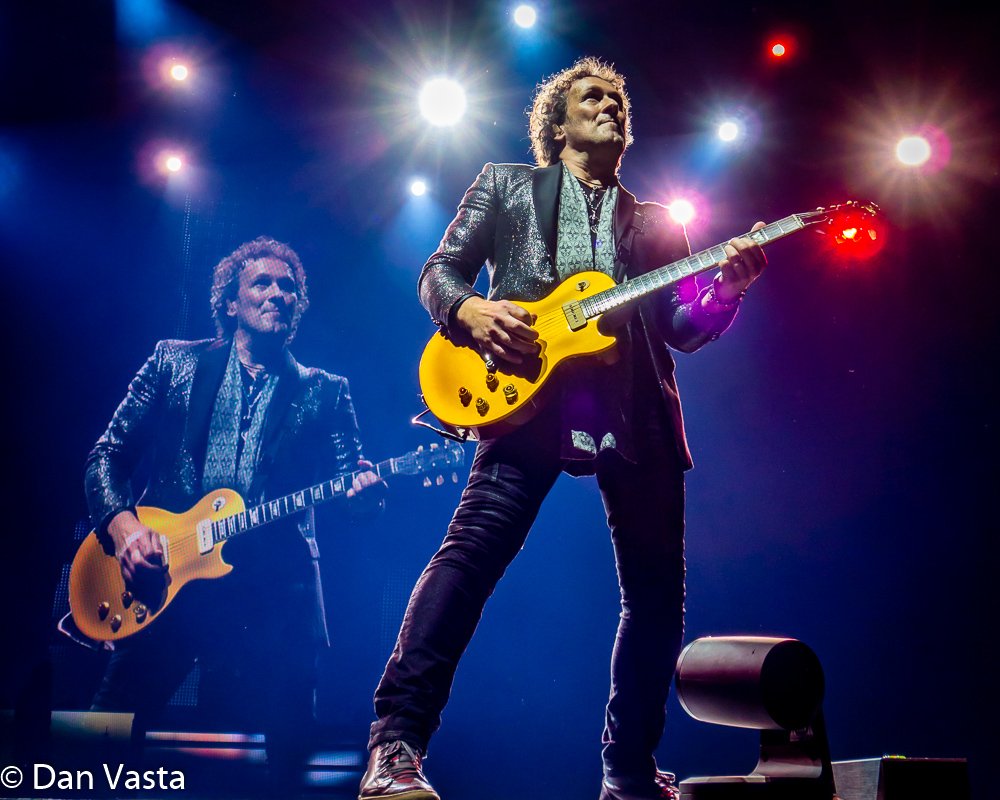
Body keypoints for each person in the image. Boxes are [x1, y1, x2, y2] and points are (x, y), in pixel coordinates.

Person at [359, 57, 768, 800]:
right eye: (593, 96)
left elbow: (679, 329)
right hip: (524, 397)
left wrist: (726, 292)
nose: (611, 106)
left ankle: (629, 771)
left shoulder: (657, 222)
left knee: (655, 595)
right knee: (468, 559)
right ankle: (396, 747)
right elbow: (440, 270)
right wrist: (470, 310)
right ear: (557, 123)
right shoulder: (506, 184)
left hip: (635, 409)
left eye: (619, 100)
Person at [85, 236, 384, 795]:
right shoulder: (173, 361)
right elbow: (107, 455)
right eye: (262, 283)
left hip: (273, 596)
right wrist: (126, 531)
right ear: (230, 302)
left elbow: (353, 489)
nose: (278, 293)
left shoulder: (325, 392)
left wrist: (365, 497)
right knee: (107, 733)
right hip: (167, 580)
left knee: (289, 756)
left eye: (288, 286)